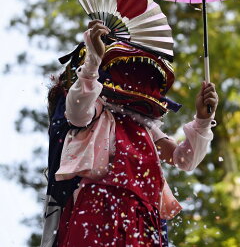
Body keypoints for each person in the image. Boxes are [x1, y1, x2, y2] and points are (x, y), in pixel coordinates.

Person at [41, 20, 218, 247]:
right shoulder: (97, 109)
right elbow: (75, 113)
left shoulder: (144, 126)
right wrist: (93, 61)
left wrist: (203, 121)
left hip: (145, 216)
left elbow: (184, 160)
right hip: (99, 205)